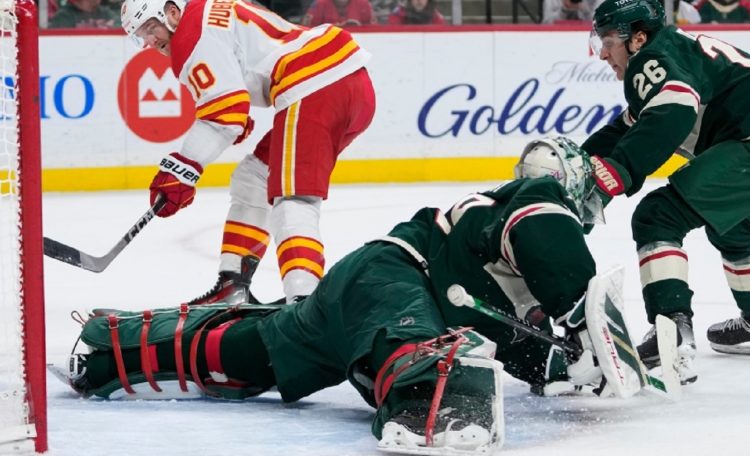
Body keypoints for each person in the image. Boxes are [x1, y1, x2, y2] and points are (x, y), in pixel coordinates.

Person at [57, 137, 635, 455]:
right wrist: (582, 321)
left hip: (355, 292)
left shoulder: (497, 244)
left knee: (250, 350)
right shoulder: (536, 200)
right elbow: (542, 230)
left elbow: (510, 338)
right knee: (430, 356)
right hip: (393, 283)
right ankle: (429, 403)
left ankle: (114, 350)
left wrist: (567, 367)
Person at [120, 0, 376, 304]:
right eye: (140, 35)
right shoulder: (203, 11)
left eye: (150, 28)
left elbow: (222, 117)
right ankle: (232, 285)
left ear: (171, 12)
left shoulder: (188, 36)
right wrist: (231, 113)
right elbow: (235, 93)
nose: (148, 42)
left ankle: (304, 301)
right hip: (345, 81)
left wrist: (180, 171)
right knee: (254, 178)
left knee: (292, 199)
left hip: (318, 84)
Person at [585, 0, 750, 384]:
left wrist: (617, 173)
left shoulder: (652, 59)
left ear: (638, 37)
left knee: (658, 216)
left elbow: (671, 113)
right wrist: (579, 162)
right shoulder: (673, 53)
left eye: (609, 41)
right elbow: (628, 126)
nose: (604, 53)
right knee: (733, 230)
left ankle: (672, 331)